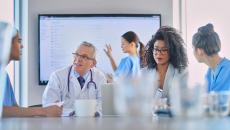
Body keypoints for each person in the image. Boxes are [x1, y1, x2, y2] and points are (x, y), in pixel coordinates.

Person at [0, 21, 62, 117]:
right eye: (19, 41)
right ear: (6, 43)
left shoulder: (4, 75)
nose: (22, 46)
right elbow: (2, 111)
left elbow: (14, 107)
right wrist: (43, 111)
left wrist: (48, 110)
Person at [42, 41, 106, 116]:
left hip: (92, 123)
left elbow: (103, 104)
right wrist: (74, 113)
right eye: (76, 55)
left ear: (93, 63)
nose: (78, 59)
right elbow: (49, 106)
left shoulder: (100, 77)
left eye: (84, 57)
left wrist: (93, 113)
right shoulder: (57, 76)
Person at [145, 26, 188, 99]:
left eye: (164, 50)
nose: (159, 53)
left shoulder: (182, 73)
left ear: (172, 51)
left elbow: (183, 100)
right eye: (156, 49)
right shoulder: (144, 73)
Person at [192, 23, 230, 92]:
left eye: (193, 48)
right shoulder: (210, 71)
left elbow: (215, 100)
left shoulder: (227, 69)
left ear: (199, 50)